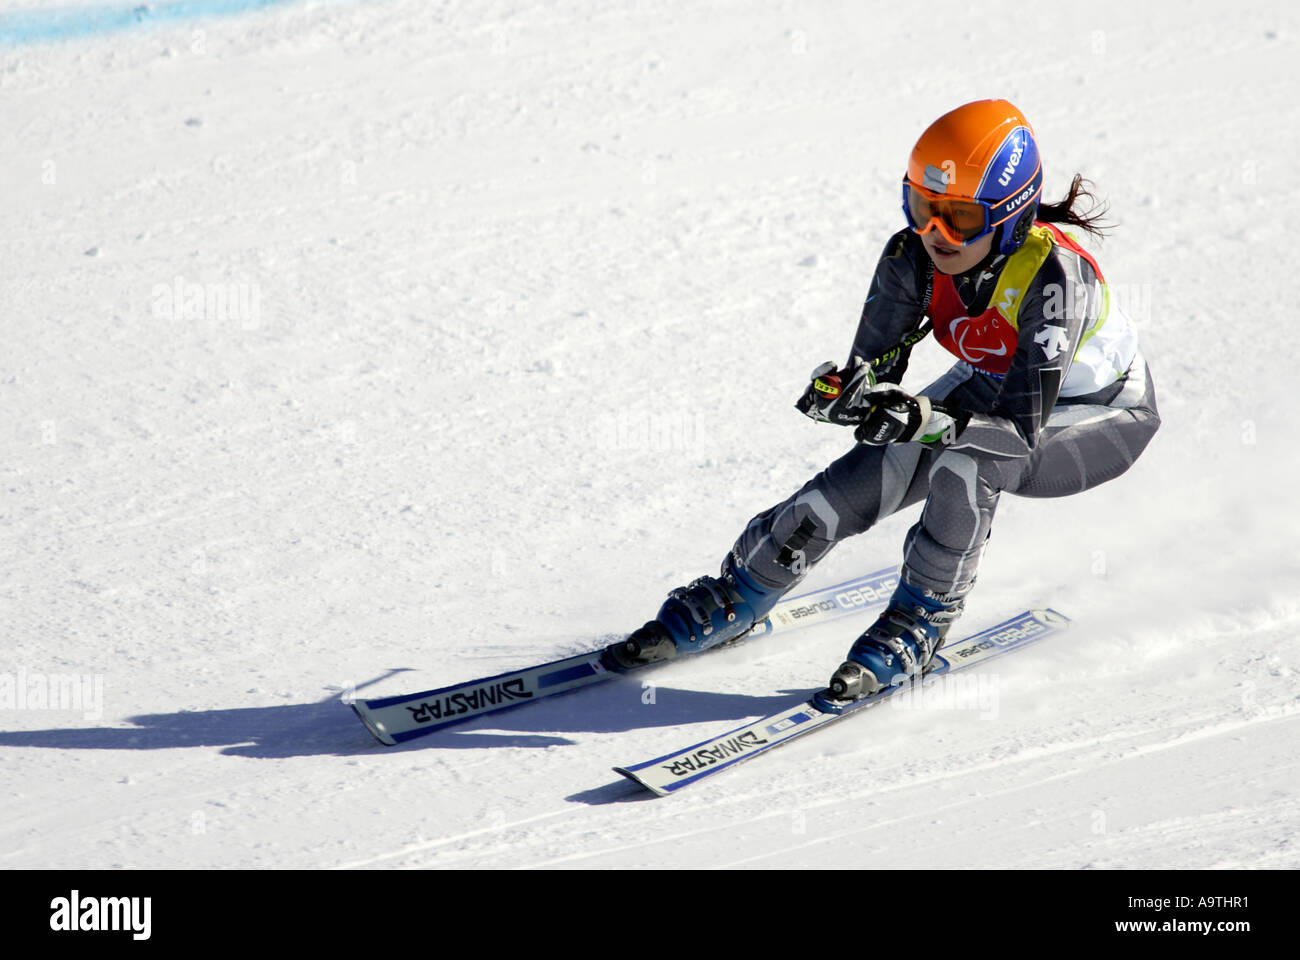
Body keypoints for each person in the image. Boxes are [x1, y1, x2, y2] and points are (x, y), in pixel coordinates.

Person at [604, 99, 1160, 700]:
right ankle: (740, 591)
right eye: (923, 208)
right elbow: (874, 378)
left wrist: (923, 419)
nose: (935, 234)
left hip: (1098, 412)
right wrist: (844, 397)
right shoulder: (911, 259)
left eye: (959, 219)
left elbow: (1015, 435)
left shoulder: (1054, 281)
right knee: (857, 479)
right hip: (994, 385)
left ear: (1010, 216)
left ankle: (920, 619)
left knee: (965, 466)